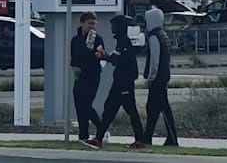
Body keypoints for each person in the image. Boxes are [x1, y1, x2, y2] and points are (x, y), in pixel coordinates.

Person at [83, 14, 144, 150]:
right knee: (111, 110)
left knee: (127, 110)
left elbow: (120, 60)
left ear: (120, 27)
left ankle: (139, 140)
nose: (112, 28)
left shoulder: (124, 41)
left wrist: (104, 56)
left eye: (113, 26)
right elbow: (116, 57)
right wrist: (104, 56)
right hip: (120, 81)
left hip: (124, 82)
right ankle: (99, 138)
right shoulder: (122, 41)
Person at [141, 8, 179, 147]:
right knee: (154, 108)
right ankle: (148, 136)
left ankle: (171, 139)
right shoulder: (163, 34)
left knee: (160, 108)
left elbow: (154, 61)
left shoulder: (154, 37)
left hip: (157, 79)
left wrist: (150, 78)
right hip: (163, 77)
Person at [71, 11, 104, 146]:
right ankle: (83, 135)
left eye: (93, 24)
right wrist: (74, 67)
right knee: (79, 105)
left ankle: (102, 128)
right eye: (89, 23)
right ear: (82, 23)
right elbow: (73, 57)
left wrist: (92, 49)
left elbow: (99, 56)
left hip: (92, 76)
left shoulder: (97, 39)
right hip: (79, 76)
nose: (92, 26)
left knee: (86, 105)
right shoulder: (75, 40)